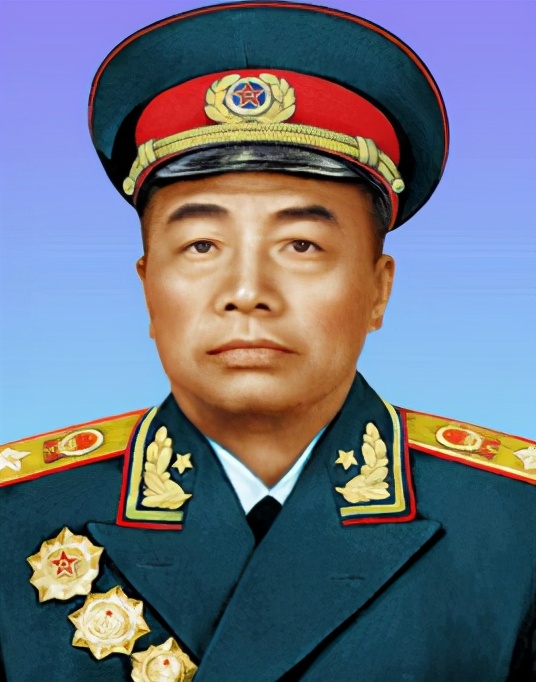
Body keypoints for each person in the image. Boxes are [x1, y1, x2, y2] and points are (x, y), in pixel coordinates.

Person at [0, 3, 534, 681]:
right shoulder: (16, 515)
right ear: (147, 285)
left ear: (378, 290)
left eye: (301, 244)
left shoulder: (515, 524)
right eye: (202, 245)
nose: (247, 291)